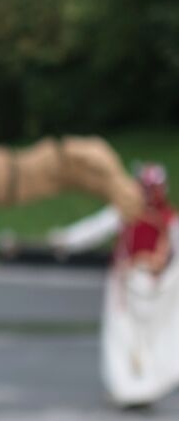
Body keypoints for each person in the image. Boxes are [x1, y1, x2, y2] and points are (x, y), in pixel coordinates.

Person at [50, 163, 179, 406]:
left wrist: (64, 240)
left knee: (127, 338)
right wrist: (65, 240)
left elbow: (93, 230)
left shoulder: (162, 219)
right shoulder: (155, 217)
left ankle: (137, 387)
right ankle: (132, 387)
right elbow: (94, 230)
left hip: (137, 285)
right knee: (133, 338)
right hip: (135, 285)